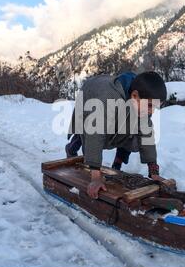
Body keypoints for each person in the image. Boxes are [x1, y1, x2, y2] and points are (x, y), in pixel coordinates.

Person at [66, 71, 170, 199]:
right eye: (149, 106)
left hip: (118, 106)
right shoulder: (106, 97)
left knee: (132, 132)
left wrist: (153, 171)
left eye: (154, 107)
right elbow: (95, 135)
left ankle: (117, 164)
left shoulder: (141, 99)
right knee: (87, 132)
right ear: (135, 95)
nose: (151, 111)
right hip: (91, 96)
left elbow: (146, 135)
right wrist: (96, 178)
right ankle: (73, 145)